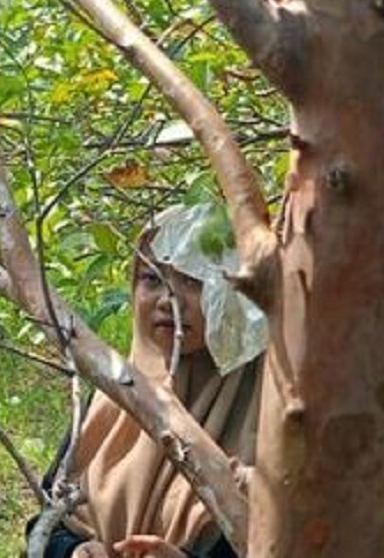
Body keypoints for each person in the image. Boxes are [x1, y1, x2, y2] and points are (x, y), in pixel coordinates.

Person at [28, 207, 261, 558]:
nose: (169, 300)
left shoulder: (263, 420)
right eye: (152, 279)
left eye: (194, 281)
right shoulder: (115, 396)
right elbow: (45, 523)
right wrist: (74, 552)